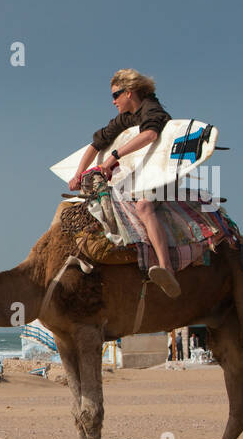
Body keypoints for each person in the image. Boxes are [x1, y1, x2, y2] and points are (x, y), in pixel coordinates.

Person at [69, 69, 179, 298]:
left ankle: (166, 267)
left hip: (162, 174)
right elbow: (96, 143)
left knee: (143, 207)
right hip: (137, 177)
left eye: (116, 95)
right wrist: (78, 173)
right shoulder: (126, 118)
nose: (113, 101)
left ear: (129, 93)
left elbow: (150, 135)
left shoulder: (152, 109)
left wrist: (114, 157)